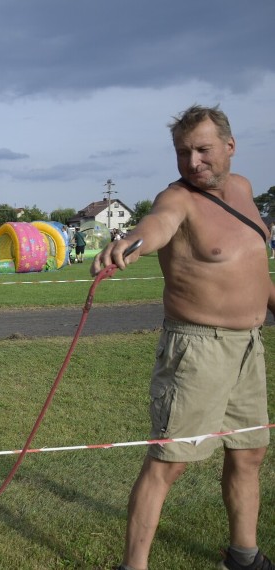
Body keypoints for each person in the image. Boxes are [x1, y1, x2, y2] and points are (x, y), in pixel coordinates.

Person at [92, 105, 273, 570]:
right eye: (182, 153)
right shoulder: (177, 199)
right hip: (198, 350)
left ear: (229, 147)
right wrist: (127, 244)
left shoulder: (245, 190)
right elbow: (155, 227)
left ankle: (244, 556)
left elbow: (254, 270)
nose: (192, 162)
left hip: (249, 346)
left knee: (250, 453)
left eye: (203, 150)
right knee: (168, 462)